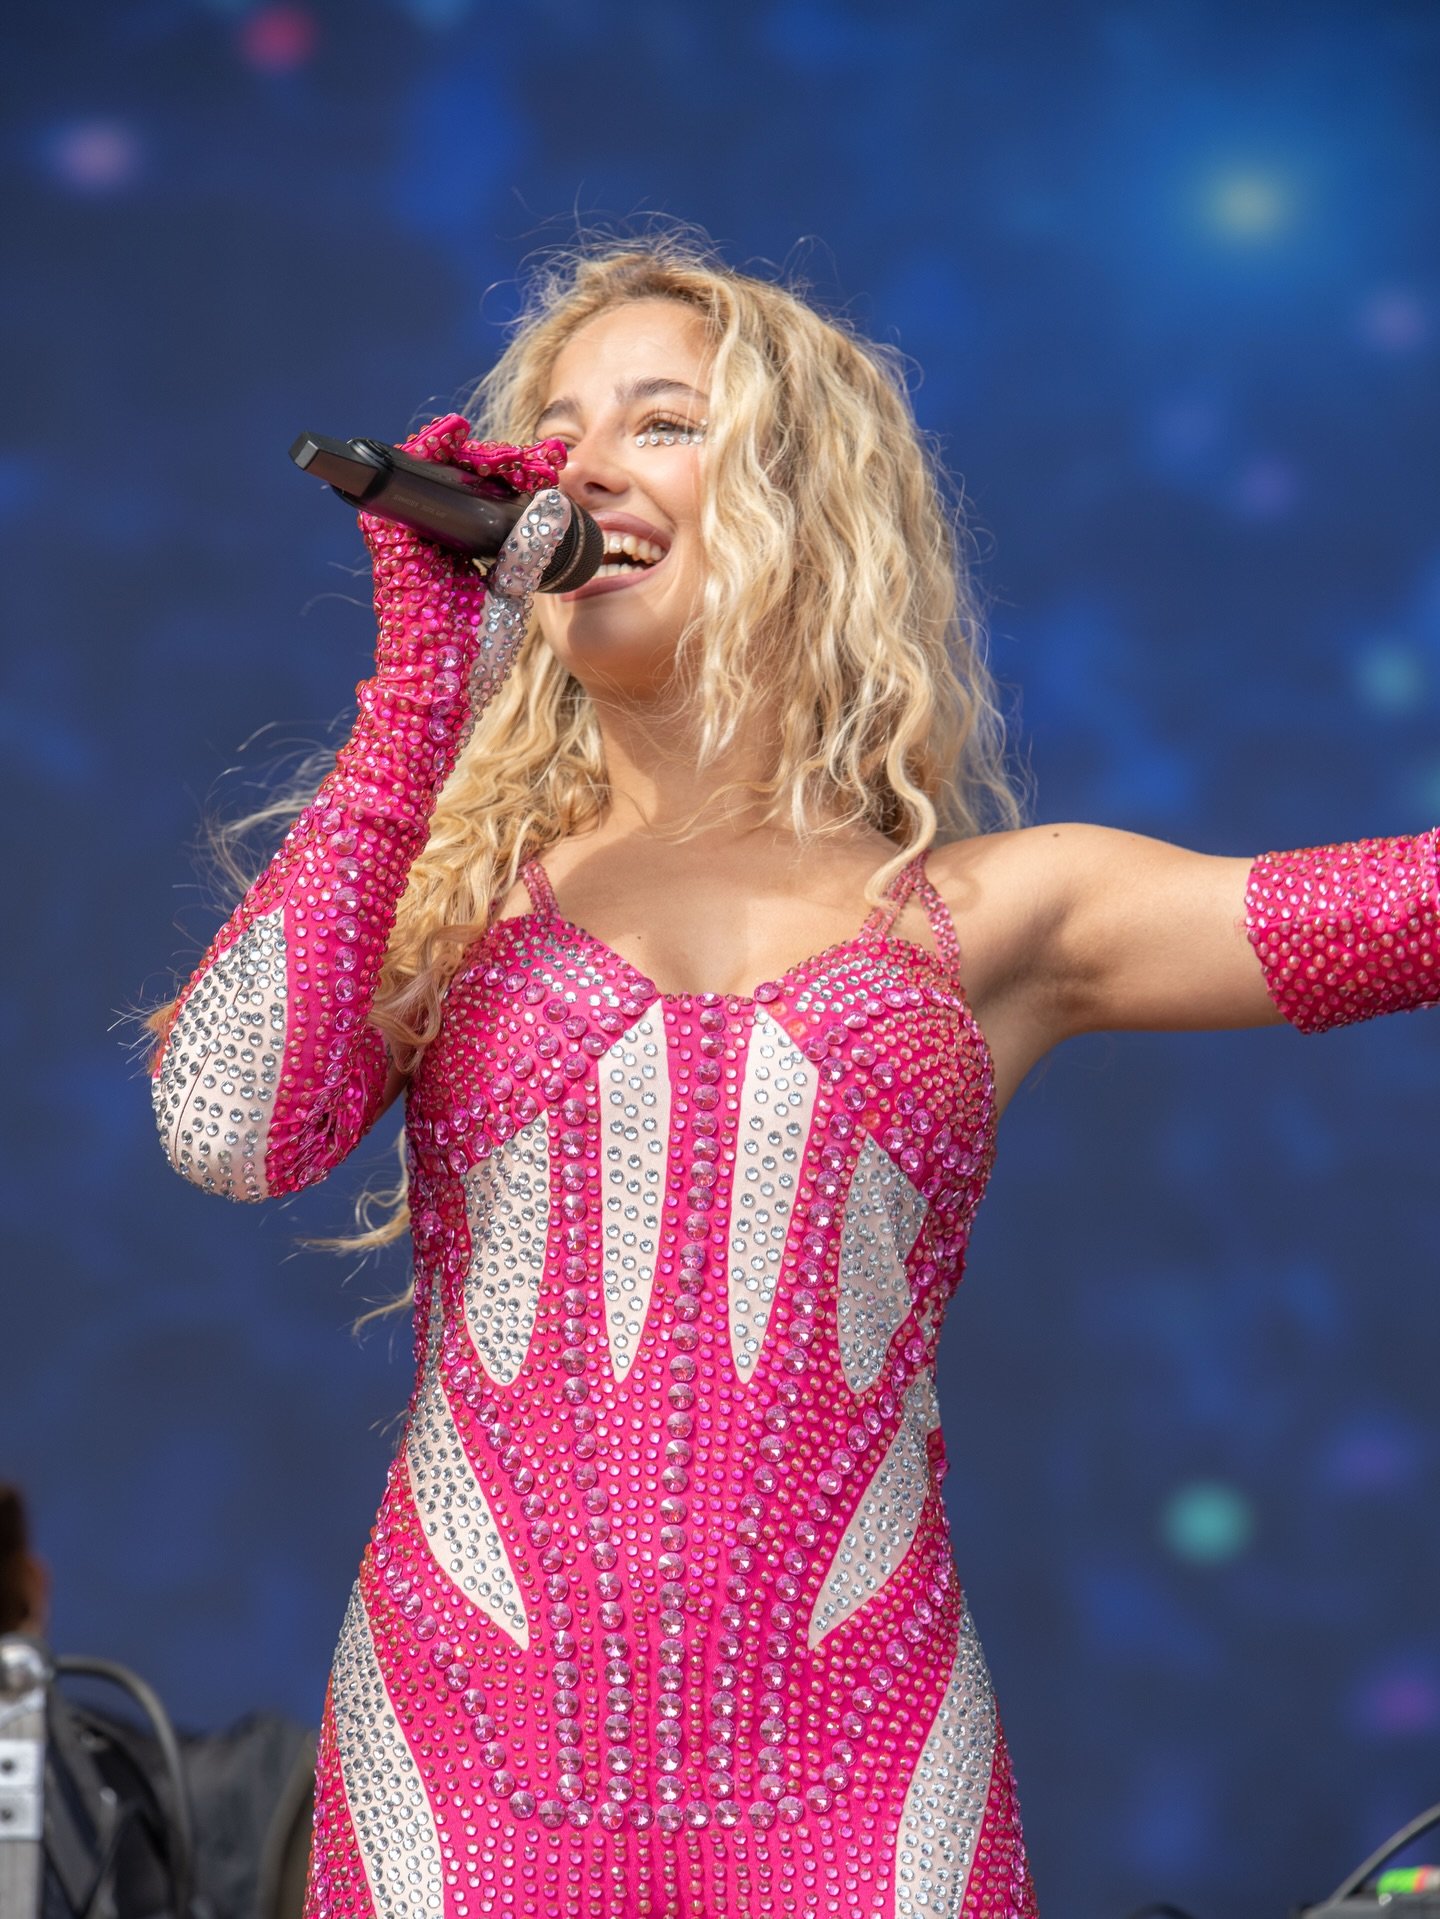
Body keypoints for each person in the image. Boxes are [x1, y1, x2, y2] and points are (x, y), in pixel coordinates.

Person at [147, 233, 1438, 1919]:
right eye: (555, 431)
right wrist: (415, 704)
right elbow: (223, 1126)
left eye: (662, 423)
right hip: (464, 1777)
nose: (580, 468)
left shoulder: (999, 914)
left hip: (863, 1785)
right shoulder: (451, 901)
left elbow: (1402, 913)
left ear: (803, 502)